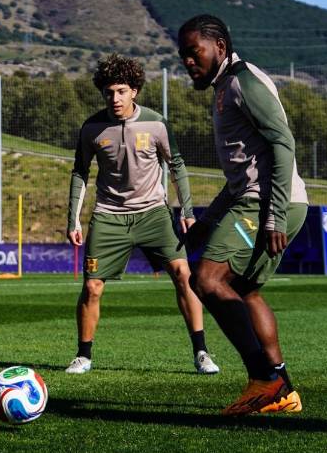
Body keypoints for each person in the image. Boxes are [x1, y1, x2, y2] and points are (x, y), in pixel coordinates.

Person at [177, 14, 307, 415]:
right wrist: (208, 221)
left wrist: (273, 216)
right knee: (245, 291)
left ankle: (263, 380)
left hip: (266, 203)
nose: (187, 61)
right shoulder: (223, 88)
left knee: (208, 279)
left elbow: (283, 145)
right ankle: (283, 388)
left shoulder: (242, 81)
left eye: (193, 52)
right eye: (182, 55)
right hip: (255, 200)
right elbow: (239, 175)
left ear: (218, 45)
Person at [65, 54, 219, 375]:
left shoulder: (156, 123)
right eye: (109, 92)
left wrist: (186, 211)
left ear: (134, 90)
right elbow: (80, 172)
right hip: (108, 216)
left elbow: (176, 165)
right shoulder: (92, 127)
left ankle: (202, 352)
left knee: (183, 274)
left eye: (121, 91)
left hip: (153, 214)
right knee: (92, 288)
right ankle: (83, 356)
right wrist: (73, 219)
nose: (115, 98)